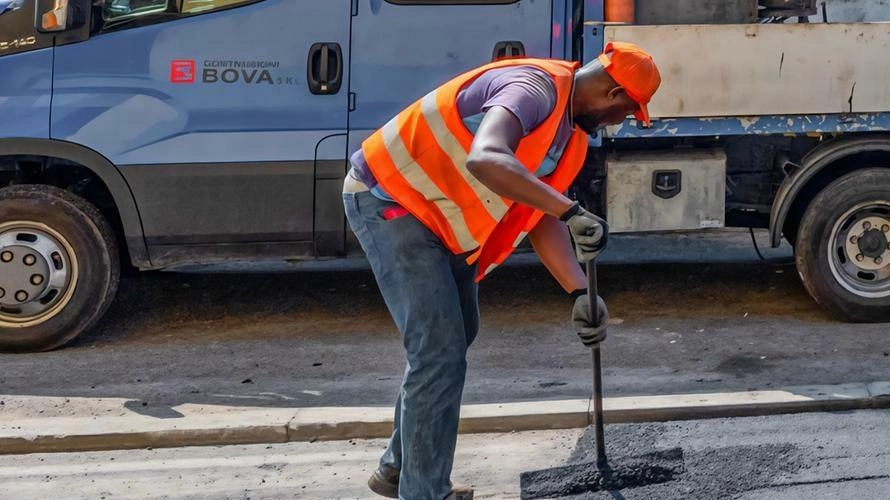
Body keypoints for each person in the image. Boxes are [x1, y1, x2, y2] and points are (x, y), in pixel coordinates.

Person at [343, 42, 661, 500]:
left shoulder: (568, 134)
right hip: (392, 200)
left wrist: (579, 293)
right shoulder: (533, 89)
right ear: (612, 94)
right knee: (439, 352)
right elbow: (486, 157)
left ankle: (398, 469)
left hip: (436, 217)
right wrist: (573, 211)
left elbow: (539, 215)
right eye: (628, 112)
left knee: (455, 337)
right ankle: (423, 491)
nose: (623, 122)